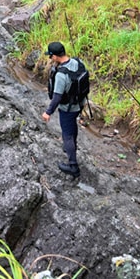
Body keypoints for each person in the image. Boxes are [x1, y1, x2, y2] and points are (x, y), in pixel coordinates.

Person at [40, 41, 86, 178]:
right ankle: (71, 146)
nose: (50, 59)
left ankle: (73, 167)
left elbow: (57, 98)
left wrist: (48, 112)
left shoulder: (61, 75)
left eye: (50, 56)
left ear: (55, 56)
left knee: (67, 135)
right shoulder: (78, 62)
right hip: (79, 104)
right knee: (72, 128)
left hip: (68, 108)